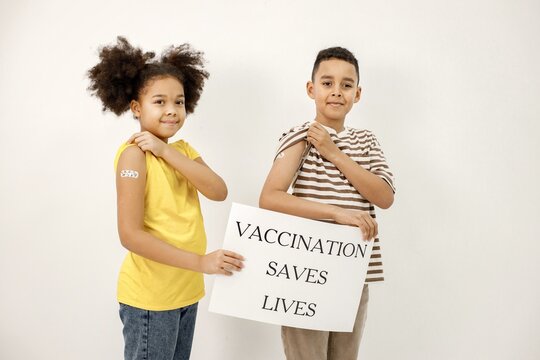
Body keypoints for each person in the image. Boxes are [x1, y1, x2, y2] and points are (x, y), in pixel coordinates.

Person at [87, 37, 244, 360]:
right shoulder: (133, 156)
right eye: (159, 102)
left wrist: (164, 150)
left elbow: (218, 190)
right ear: (135, 108)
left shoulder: (182, 151)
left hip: (185, 292)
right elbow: (130, 236)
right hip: (151, 300)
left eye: (179, 102)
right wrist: (201, 262)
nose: (172, 110)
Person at [259, 46, 395, 360]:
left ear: (357, 94)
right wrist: (338, 213)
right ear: (312, 89)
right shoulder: (300, 136)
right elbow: (270, 197)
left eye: (346, 85)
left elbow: (384, 196)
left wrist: (333, 152)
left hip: (353, 271)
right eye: (327, 83)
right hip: (307, 269)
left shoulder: (366, 141)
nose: (337, 92)